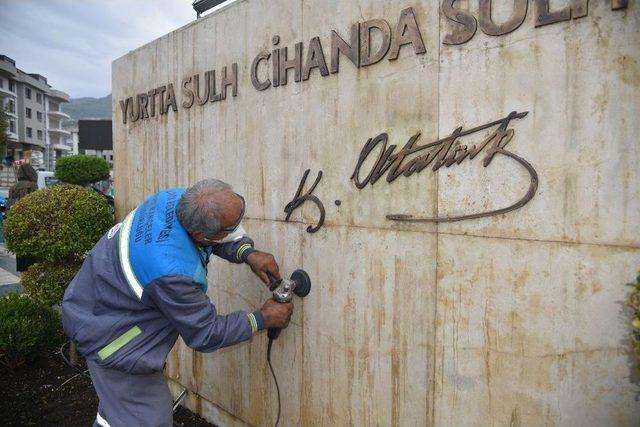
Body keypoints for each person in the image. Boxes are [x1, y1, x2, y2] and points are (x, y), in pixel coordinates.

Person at [62, 179, 294, 427]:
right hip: (112, 341)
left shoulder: (175, 200)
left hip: (90, 304)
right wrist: (262, 318)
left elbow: (213, 239)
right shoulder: (171, 273)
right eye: (232, 226)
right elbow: (206, 333)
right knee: (150, 420)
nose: (238, 230)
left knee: (117, 413)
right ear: (201, 235)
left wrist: (247, 253)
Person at [8, 163, 39, 271]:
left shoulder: (13, 188)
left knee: (20, 250)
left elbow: (9, 206)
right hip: (30, 223)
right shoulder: (32, 185)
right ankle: (31, 278)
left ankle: (24, 278)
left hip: (16, 223)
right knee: (31, 253)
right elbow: (37, 205)